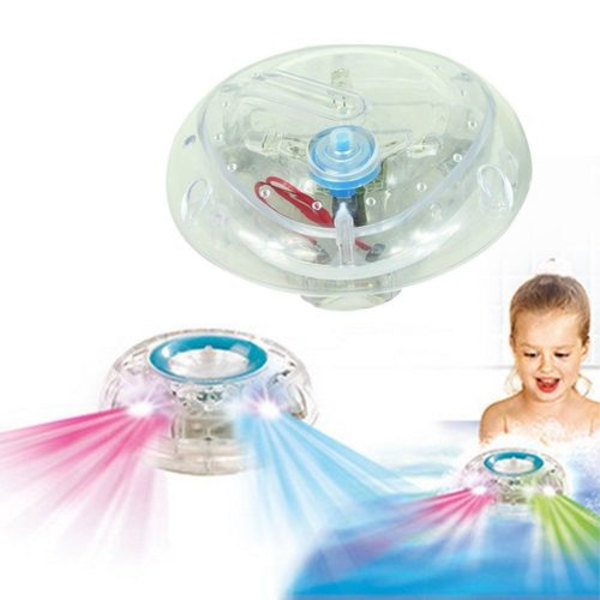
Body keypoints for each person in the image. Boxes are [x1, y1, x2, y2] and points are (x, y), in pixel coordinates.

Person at [480, 274, 600, 444]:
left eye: (561, 354)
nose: (546, 367)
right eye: (531, 354)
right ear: (514, 347)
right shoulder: (500, 419)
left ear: (584, 349)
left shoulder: (595, 421)